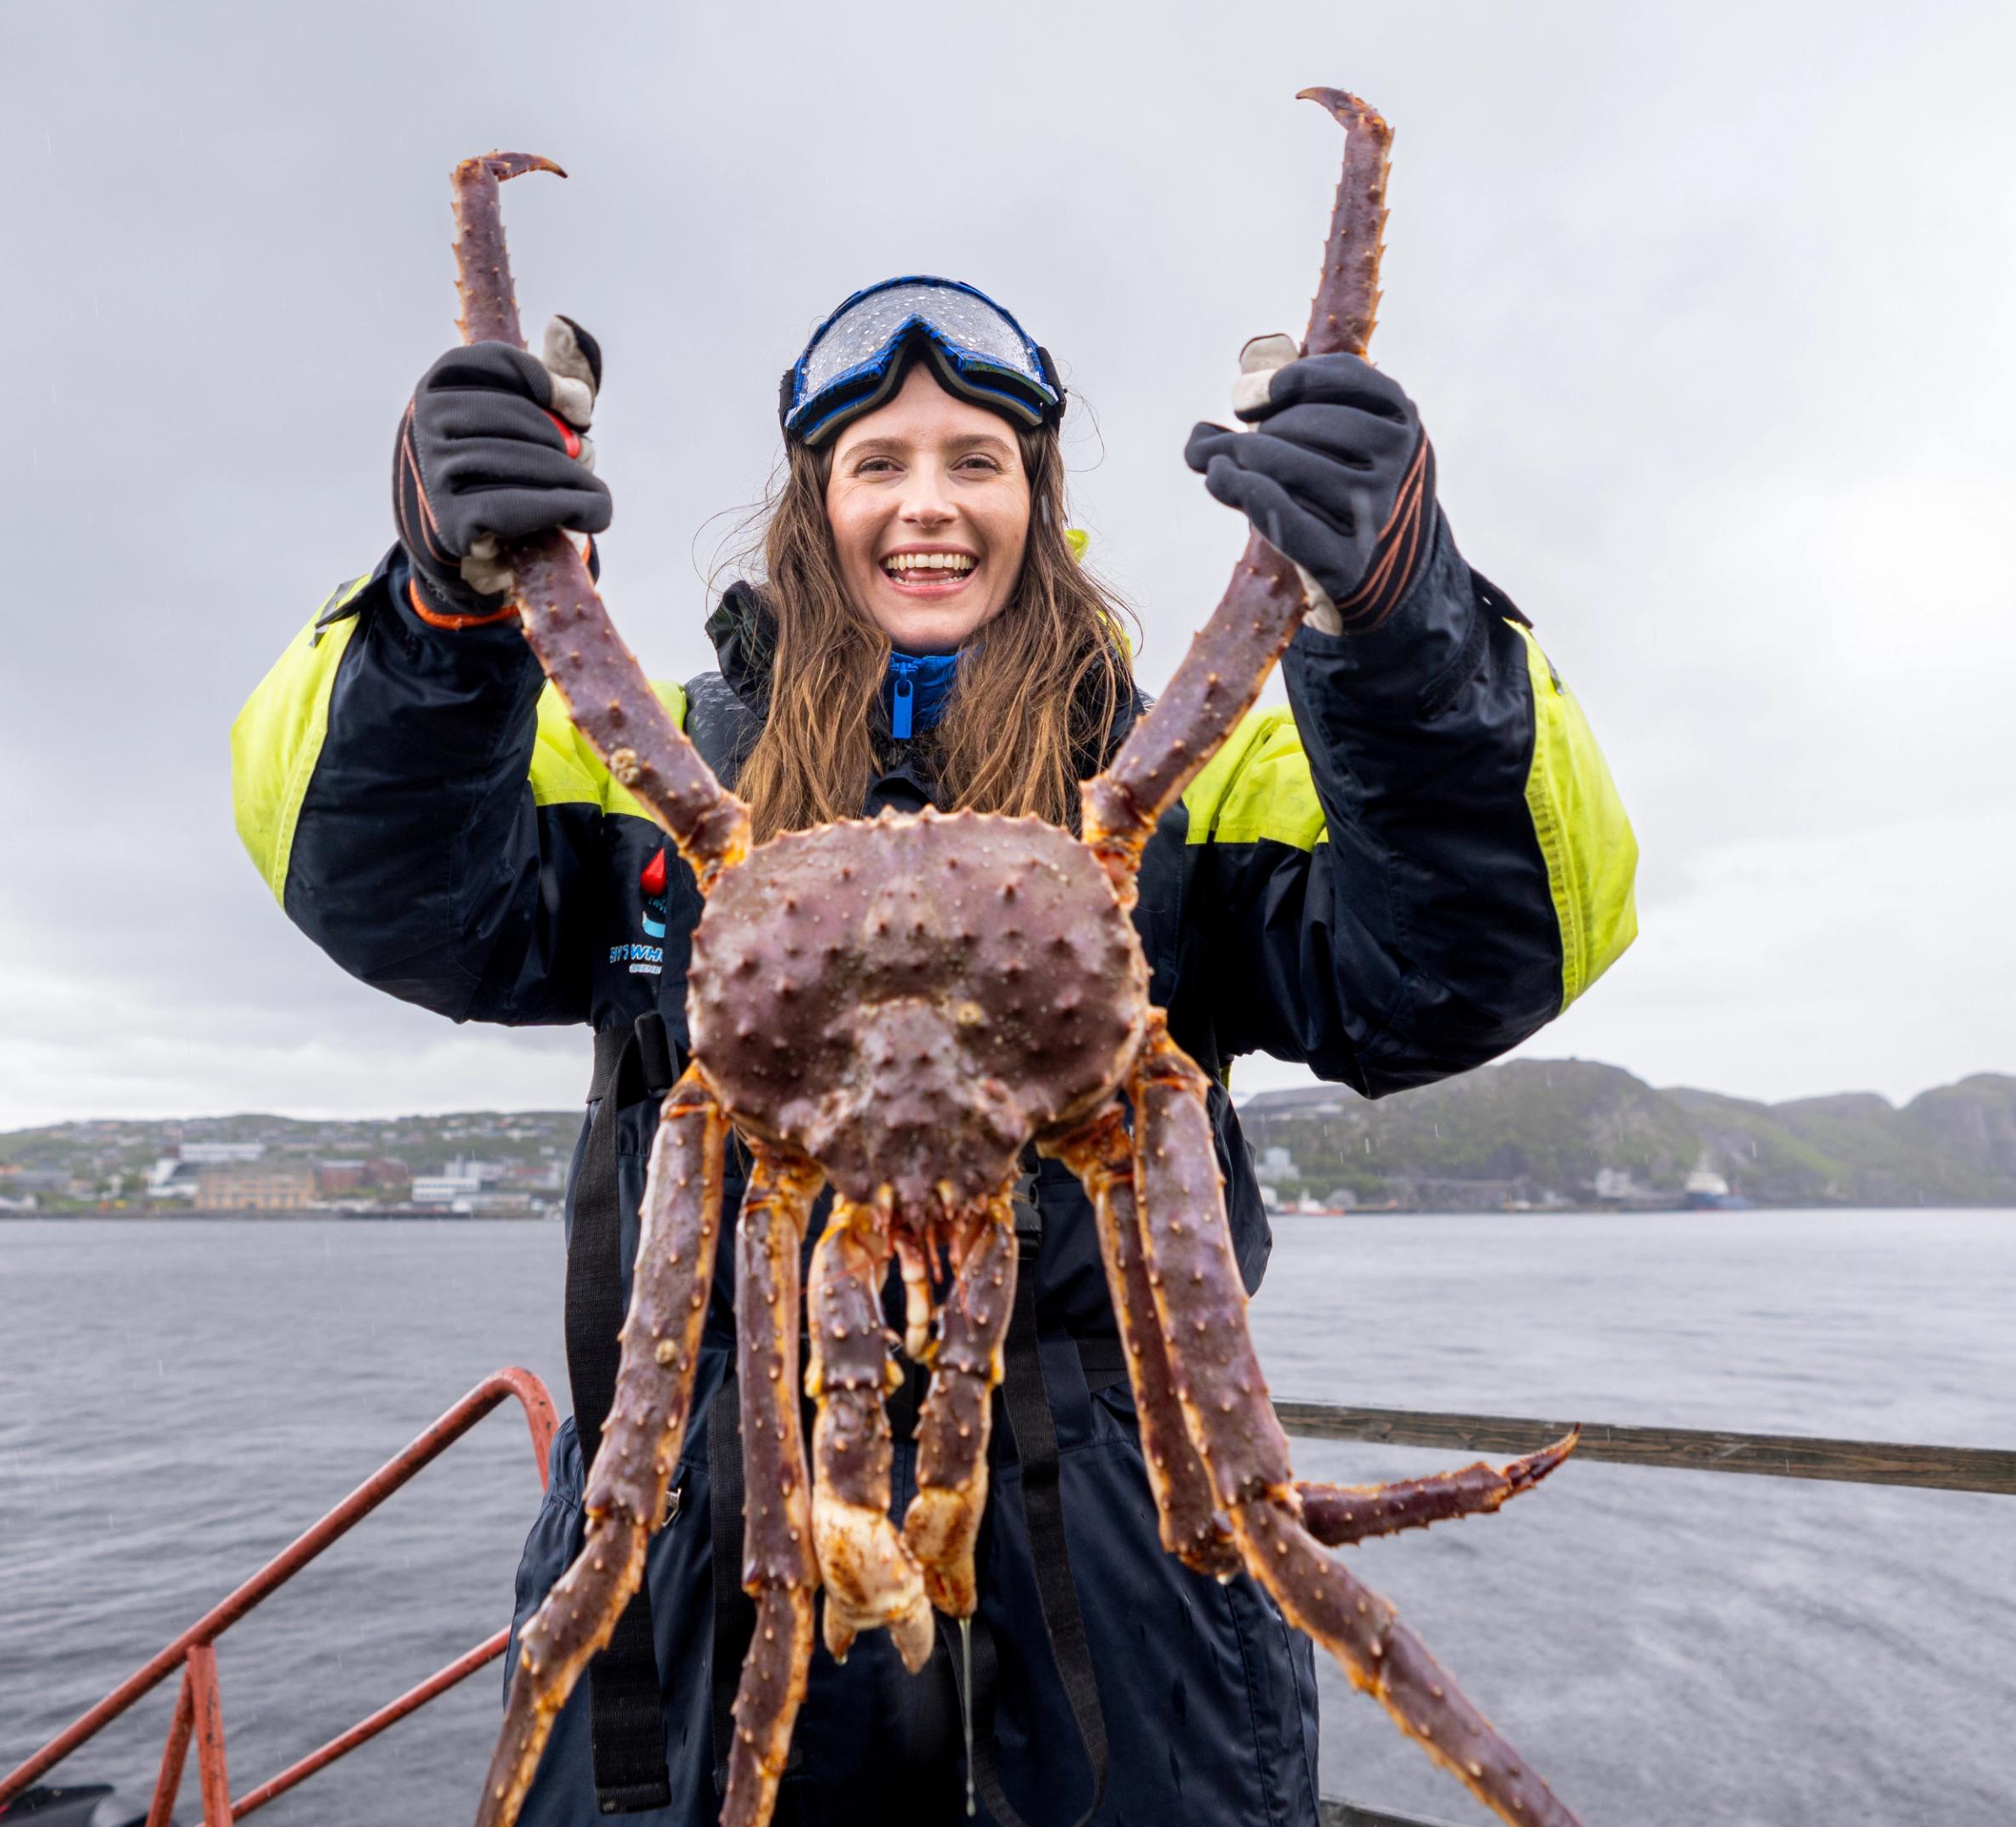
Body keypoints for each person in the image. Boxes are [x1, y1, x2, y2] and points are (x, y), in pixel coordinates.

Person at [229, 277, 1636, 1827]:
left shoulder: (1185, 769)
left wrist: (1399, 625)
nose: (929, 504)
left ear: (1038, 496)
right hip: (699, 1561)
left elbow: (1474, 962)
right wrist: (441, 613)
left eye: (979, 460)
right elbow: (378, 881)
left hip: (1127, 1577)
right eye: (877, 464)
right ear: (809, 502)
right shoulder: (654, 763)